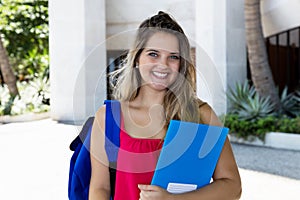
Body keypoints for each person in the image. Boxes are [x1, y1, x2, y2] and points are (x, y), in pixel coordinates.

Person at [89, 11, 242, 200]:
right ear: (137, 58)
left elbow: (233, 186)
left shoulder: (202, 115)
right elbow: (99, 189)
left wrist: (172, 199)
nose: (163, 65)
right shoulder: (108, 117)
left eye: (173, 57)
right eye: (153, 54)